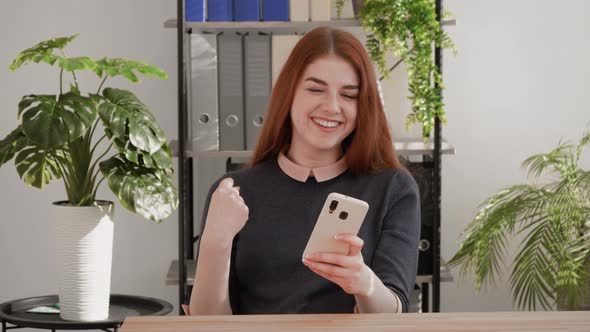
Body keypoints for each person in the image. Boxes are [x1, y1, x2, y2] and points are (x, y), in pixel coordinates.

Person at [187, 26, 420, 315]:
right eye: (315, 89)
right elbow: (208, 323)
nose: (332, 107)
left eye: (349, 95)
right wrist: (215, 242)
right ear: (289, 93)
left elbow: (395, 314)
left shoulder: (394, 189)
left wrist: (364, 283)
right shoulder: (232, 192)